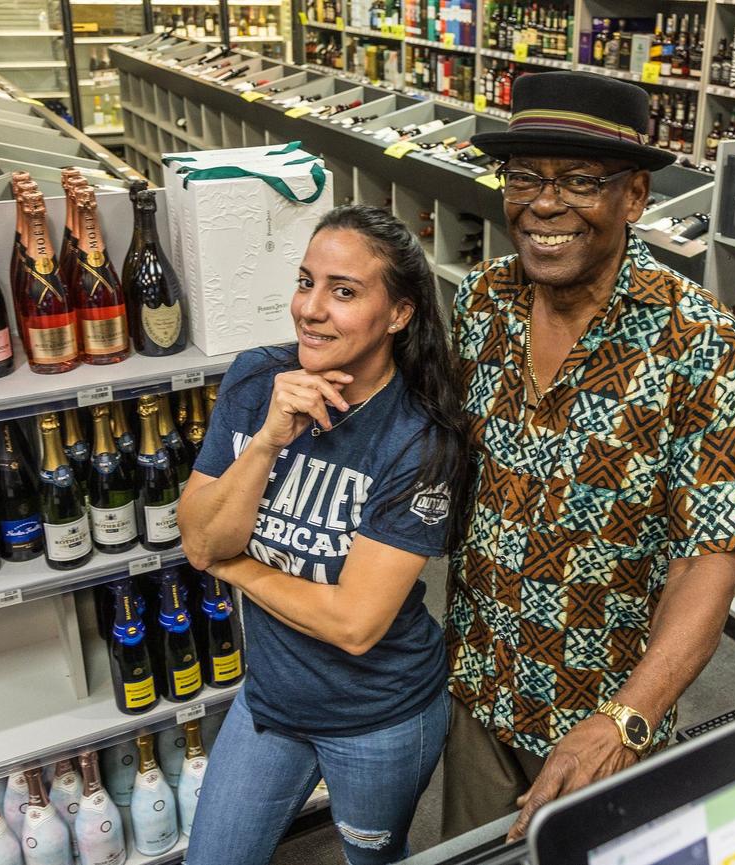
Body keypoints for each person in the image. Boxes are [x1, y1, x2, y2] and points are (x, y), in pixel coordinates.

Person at [441, 71, 735, 841]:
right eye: (524, 176)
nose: (544, 204)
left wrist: (628, 718)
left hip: (601, 721)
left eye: (580, 181)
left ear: (634, 197)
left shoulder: (698, 343)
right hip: (478, 689)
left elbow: (711, 556)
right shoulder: (483, 300)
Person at [178, 205, 468, 865]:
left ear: (399, 314)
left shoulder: (420, 440)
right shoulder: (257, 382)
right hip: (270, 699)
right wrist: (269, 441)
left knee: (371, 858)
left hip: (380, 716)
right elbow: (198, 538)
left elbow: (356, 623)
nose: (311, 308)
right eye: (305, 281)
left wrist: (238, 567)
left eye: (343, 291)